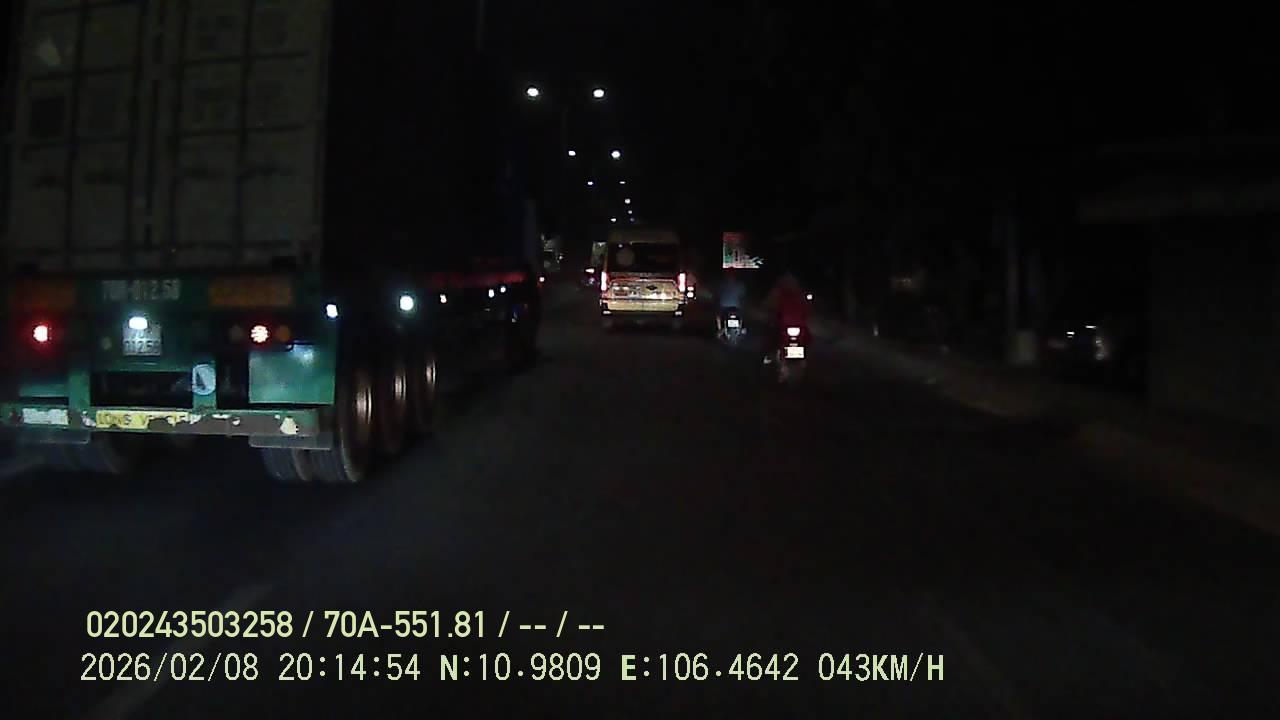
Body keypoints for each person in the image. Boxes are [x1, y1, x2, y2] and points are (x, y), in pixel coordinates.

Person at [761, 270, 809, 363]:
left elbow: (807, 310)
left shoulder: (798, 295)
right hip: (786, 324)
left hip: (790, 325)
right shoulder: (779, 293)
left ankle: (769, 356)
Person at [716, 268, 747, 335]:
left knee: (718, 316)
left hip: (724, 306)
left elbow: (718, 293)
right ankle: (742, 328)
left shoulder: (722, 283)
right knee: (741, 315)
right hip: (736, 307)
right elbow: (742, 296)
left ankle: (720, 329)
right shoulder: (740, 284)